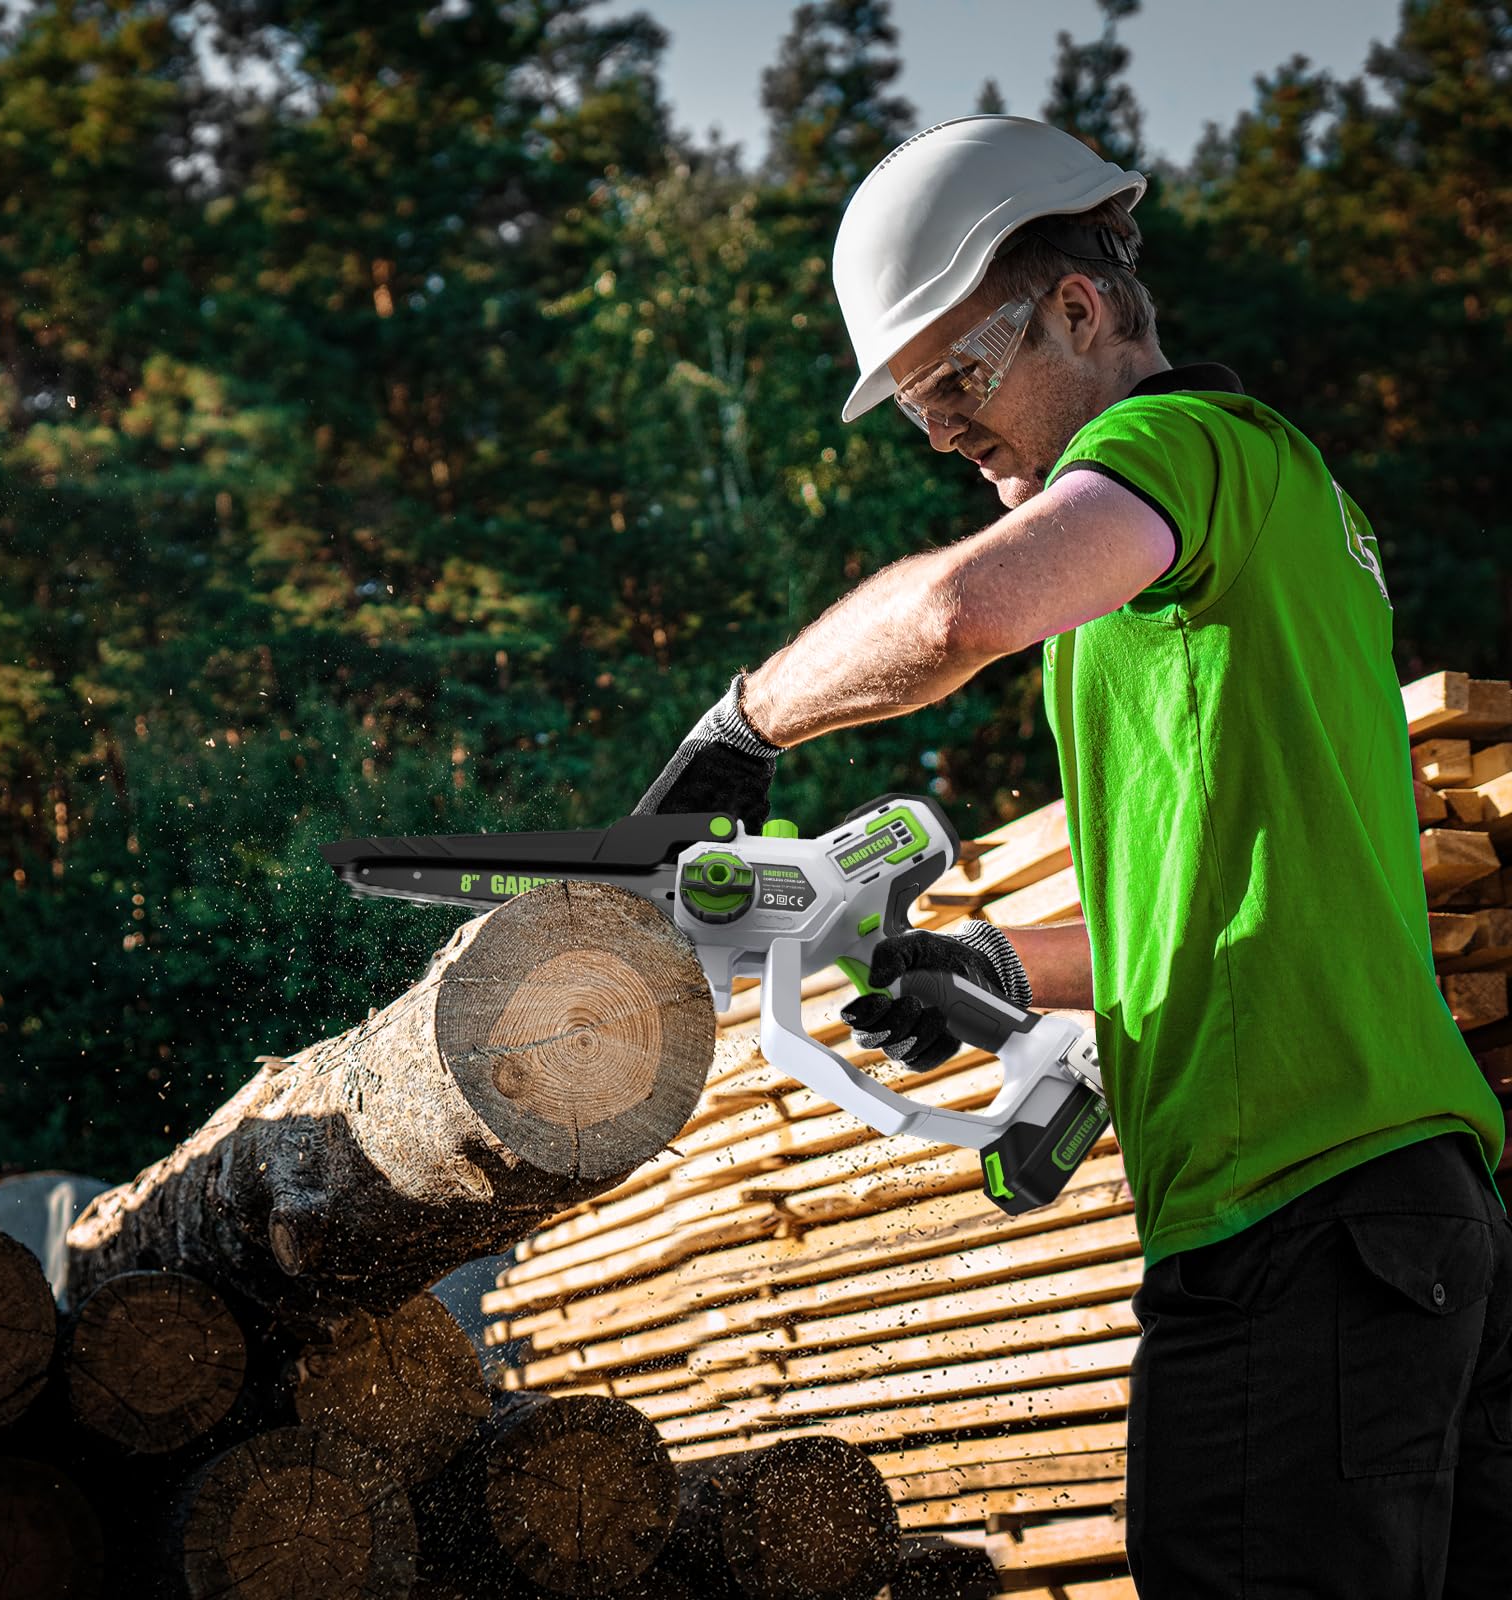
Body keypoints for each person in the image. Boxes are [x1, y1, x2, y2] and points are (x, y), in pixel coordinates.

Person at [632, 116, 1512, 1597]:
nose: (947, 437)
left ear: (1081, 310)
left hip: (1295, 1212)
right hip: (1415, 1216)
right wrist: (988, 962)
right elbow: (1197, 917)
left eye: (956, 384)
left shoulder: (1178, 447)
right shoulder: (1245, 546)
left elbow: (953, 617)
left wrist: (746, 721)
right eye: (918, 411)